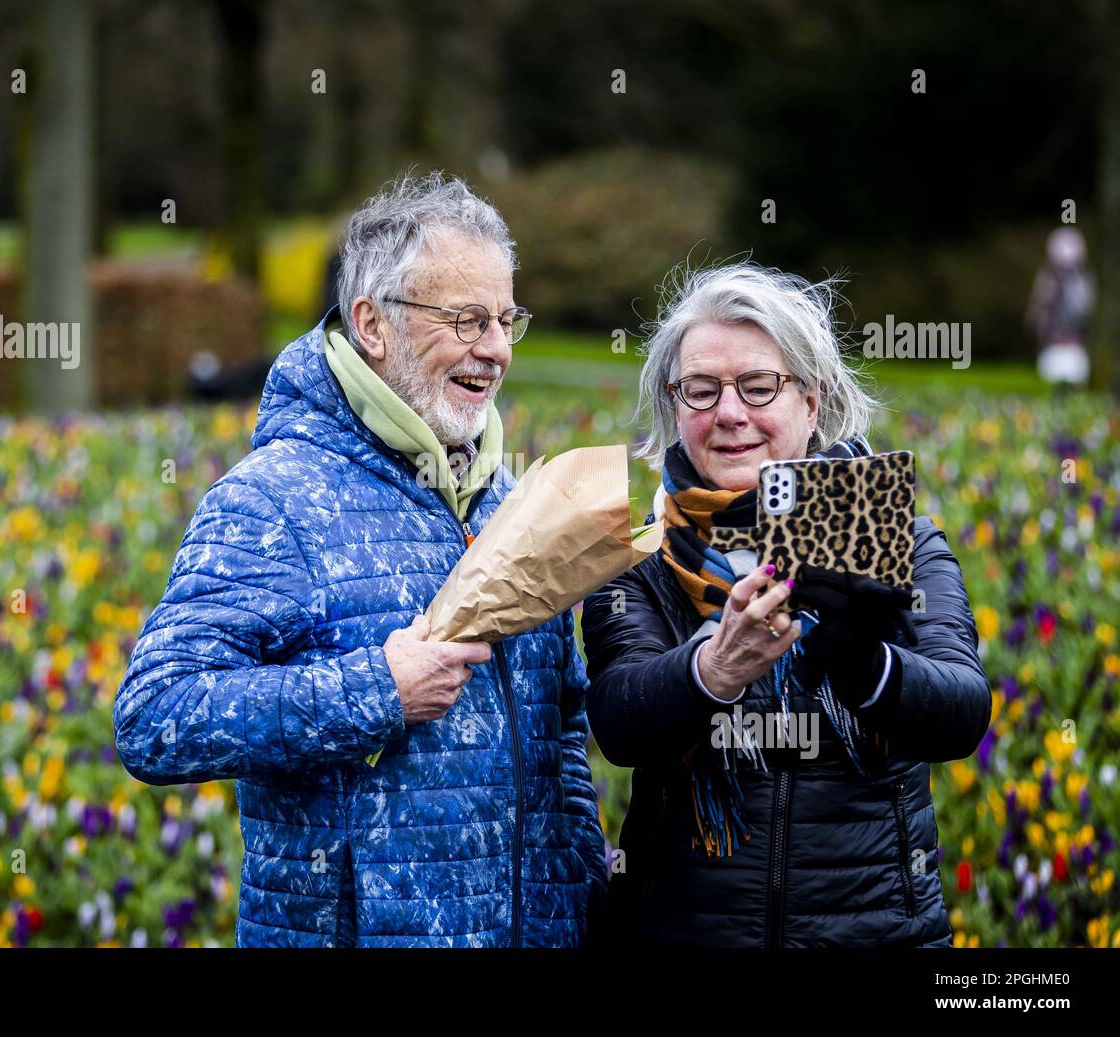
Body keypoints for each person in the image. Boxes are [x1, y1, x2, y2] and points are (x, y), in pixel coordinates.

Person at [114, 172, 607, 947]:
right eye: (468, 320)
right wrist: (375, 688)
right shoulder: (275, 498)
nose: (499, 348)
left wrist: (580, 877)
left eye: (508, 318)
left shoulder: (516, 500)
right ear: (372, 324)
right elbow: (154, 717)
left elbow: (562, 723)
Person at [581, 262, 991, 947]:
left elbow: (960, 713)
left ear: (811, 398)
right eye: (702, 390)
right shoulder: (641, 560)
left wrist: (865, 667)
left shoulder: (895, 537)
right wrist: (713, 669)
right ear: (674, 406)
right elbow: (621, 720)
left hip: (876, 933)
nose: (730, 413)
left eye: (759, 386)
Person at [1026, 226, 1094, 388]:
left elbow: (1084, 310)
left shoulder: (1081, 279)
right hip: (1053, 344)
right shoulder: (1048, 278)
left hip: (1073, 344)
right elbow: (1039, 309)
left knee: (1072, 377)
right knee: (1053, 378)